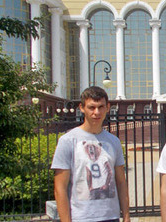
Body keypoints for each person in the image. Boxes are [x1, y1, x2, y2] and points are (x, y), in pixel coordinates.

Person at [51, 86, 130, 222]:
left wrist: (127, 216)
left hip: (110, 216)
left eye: (101, 107)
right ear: (82, 108)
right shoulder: (68, 140)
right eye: (91, 107)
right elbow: (60, 187)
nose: (96, 112)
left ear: (107, 107)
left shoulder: (114, 142)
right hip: (81, 217)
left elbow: (121, 182)